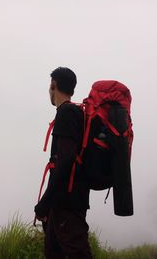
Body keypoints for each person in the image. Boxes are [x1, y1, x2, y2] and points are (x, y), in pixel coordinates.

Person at [34, 67, 92, 259]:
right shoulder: (76, 113)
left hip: (67, 202)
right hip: (66, 201)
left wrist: (45, 202)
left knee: (78, 254)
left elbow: (65, 160)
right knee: (53, 253)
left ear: (53, 85)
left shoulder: (66, 113)